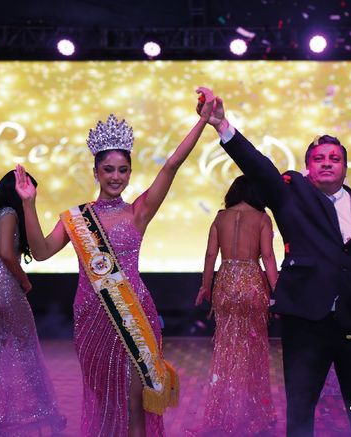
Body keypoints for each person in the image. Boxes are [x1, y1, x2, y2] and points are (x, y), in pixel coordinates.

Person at [196, 87, 351, 437]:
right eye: (319, 158)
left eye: (334, 158)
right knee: (300, 413)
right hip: (306, 326)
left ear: (344, 167)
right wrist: (223, 126)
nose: (327, 162)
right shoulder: (291, 195)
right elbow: (259, 167)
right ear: (309, 167)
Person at [14, 90, 215, 437]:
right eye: (108, 169)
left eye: (123, 170)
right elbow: (42, 251)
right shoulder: (77, 218)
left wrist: (203, 121)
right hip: (91, 321)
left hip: (134, 316)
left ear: (131, 173)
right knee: (106, 401)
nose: (115, 177)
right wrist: (28, 204)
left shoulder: (138, 212)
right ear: (95, 172)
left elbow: (171, 165)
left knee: (135, 403)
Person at [0, 170, 66, 436]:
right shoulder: (10, 213)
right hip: (3, 286)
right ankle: (46, 413)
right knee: (28, 348)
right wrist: (24, 280)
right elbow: (7, 254)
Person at [195, 175, 278, 435]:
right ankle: (253, 414)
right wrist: (278, 291)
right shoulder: (262, 218)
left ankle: (226, 413)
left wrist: (205, 286)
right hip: (252, 283)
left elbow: (211, 254)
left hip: (225, 282)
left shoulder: (221, 218)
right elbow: (267, 256)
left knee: (227, 349)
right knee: (253, 350)